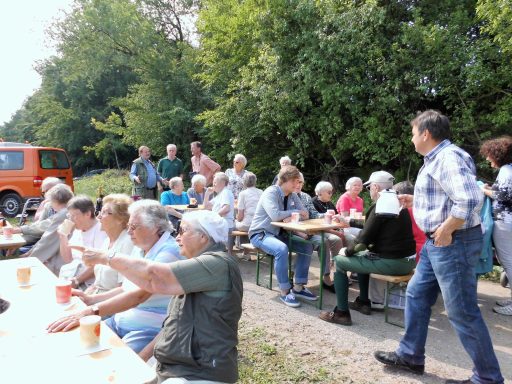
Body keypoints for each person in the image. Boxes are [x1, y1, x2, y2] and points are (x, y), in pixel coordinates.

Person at [374, 110, 503, 384]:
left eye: (412, 133)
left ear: (426, 133)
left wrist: (446, 228)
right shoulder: (437, 158)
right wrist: (415, 200)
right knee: (416, 294)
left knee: (461, 311)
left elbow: (469, 200)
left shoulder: (448, 157)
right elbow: (447, 196)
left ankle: (488, 378)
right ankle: (410, 356)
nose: (411, 139)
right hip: (440, 243)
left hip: (451, 241)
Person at [80, 210, 243, 383]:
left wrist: (106, 257)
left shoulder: (218, 263)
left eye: (183, 230)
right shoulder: (196, 269)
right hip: (174, 367)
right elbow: (171, 325)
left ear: (203, 237)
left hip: (200, 372)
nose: (177, 237)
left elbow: (153, 277)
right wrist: (141, 359)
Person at [47, 200, 182, 359]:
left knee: (110, 360)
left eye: (134, 227)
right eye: (129, 226)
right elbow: (126, 288)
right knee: (75, 341)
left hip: (147, 331)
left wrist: (92, 310)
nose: (129, 231)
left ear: (156, 228)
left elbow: (138, 296)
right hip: (121, 321)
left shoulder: (170, 252)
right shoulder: (141, 248)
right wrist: (91, 299)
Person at [319, 171, 416, 326]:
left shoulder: (381, 206)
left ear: (376, 187)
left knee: (340, 261)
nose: (369, 189)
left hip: (393, 263)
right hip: (408, 261)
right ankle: (363, 302)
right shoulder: (397, 203)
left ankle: (341, 313)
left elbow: (363, 241)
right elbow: (373, 225)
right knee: (364, 254)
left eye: (369, 186)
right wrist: (349, 221)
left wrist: (347, 251)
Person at [249, 165, 317, 307]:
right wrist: (294, 213)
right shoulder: (270, 192)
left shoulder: (292, 195)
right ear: (285, 180)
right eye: (295, 181)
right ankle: (285, 291)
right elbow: (275, 215)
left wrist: (291, 215)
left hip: (281, 233)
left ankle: (298, 287)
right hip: (261, 233)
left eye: (298, 182)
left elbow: (306, 214)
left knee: (307, 245)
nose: (297, 184)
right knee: (281, 249)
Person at [480, 136, 512, 316]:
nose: (487, 159)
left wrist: (483, 190)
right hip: (508, 222)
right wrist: (491, 187)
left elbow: (504, 196)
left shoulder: (507, 170)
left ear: (497, 155)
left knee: (508, 261)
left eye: (489, 155)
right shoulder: (510, 170)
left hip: (505, 222)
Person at [297, 178, 345, 291]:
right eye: (296, 181)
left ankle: (338, 273)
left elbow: (313, 214)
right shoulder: (287, 196)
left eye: (301, 182)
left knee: (340, 239)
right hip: (302, 231)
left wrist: (325, 216)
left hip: (314, 230)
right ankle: (326, 276)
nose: (299, 184)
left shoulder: (306, 197)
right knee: (327, 240)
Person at [85, 194, 135, 294]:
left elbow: (123, 289)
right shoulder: (107, 241)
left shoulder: (128, 242)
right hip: (97, 297)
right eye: (99, 212)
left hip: (112, 303)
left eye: (104, 212)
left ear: (120, 219)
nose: (98, 216)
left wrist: (90, 301)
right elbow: (97, 284)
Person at [58, 196, 108, 289]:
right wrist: (63, 236)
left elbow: (100, 263)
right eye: (69, 216)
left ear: (88, 214)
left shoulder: (101, 230)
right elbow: (68, 259)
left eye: (74, 216)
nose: (71, 220)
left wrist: (77, 280)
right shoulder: (79, 229)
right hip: (72, 275)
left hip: (89, 283)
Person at [23, 184, 74, 275]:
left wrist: (30, 257)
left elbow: (47, 240)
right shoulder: (69, 211)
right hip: (67, 256)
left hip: (64, 262)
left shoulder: (63, 214)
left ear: (54, 201)